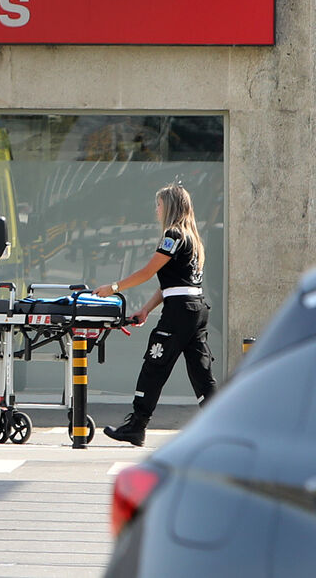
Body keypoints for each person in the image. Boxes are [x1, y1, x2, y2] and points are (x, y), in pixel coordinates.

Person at [92, 183, 216, 446]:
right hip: (195, 309)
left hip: (180, 311)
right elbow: (169, 283)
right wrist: (146, 309)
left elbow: (147, 273)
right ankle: (223, 427)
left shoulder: (173, 235)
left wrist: (113, 288)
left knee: (154, 364)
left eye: (158, 205)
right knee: (201, 373)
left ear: (169, 206)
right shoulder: (192, 237)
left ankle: (137, 425)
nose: (156, 210)